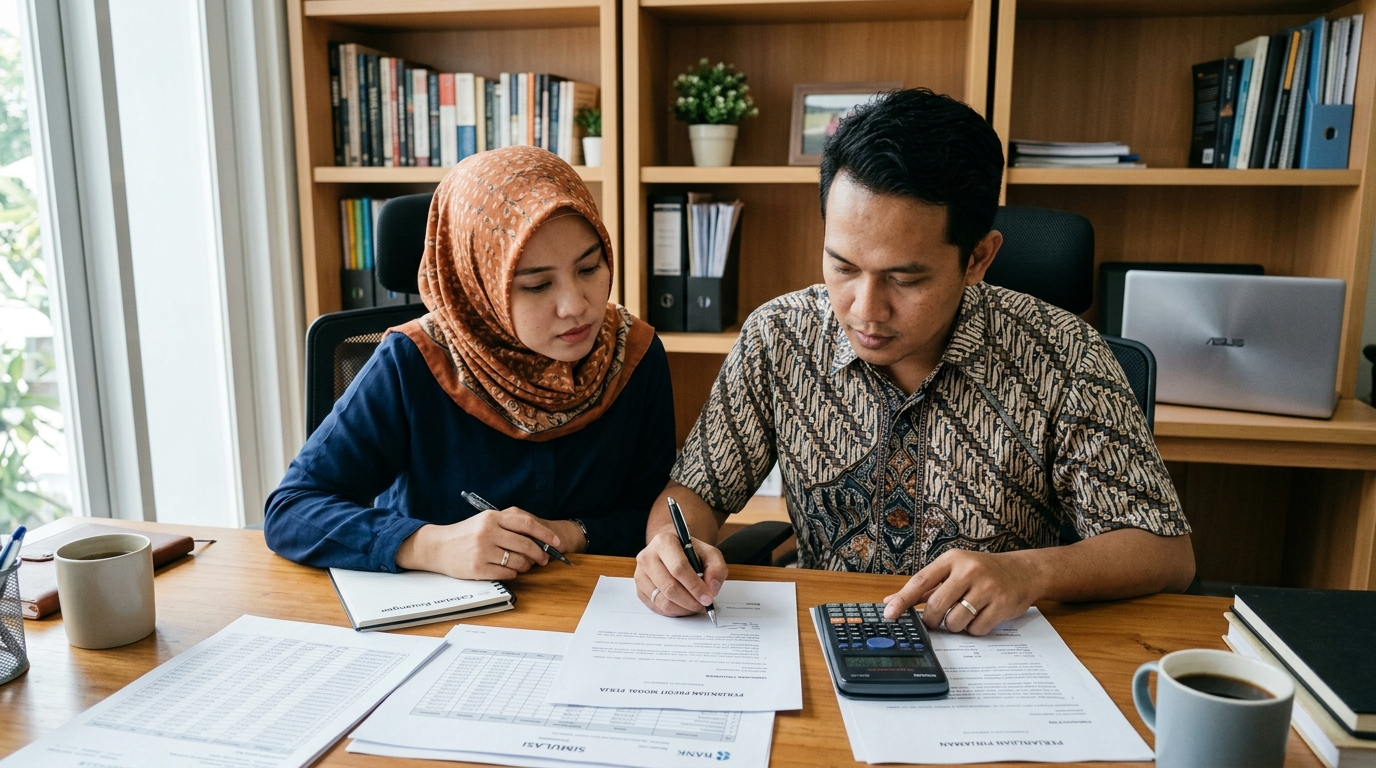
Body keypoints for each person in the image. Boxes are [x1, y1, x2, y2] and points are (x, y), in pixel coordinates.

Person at [634, 88, 1195, 635]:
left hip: (998, 654)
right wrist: (670, 549)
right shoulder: (778, 336)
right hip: (827, 639)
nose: (864, 308)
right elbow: (697, 492)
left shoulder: (1065, 355)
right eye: (843, 266)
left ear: (978, 258)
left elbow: (1166, 552)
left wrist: (1032, 570)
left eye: (905, 278)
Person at [265, 146, 675, 579]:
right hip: (440, 615)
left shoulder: (634, 352)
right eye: (537, 286)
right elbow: (292, 510)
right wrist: (429, 545)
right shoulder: (414, 360)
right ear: (480, 286)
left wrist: (571, 534)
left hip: (590, 611)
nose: (576, 306)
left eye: (589, 268)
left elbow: (655, 516)